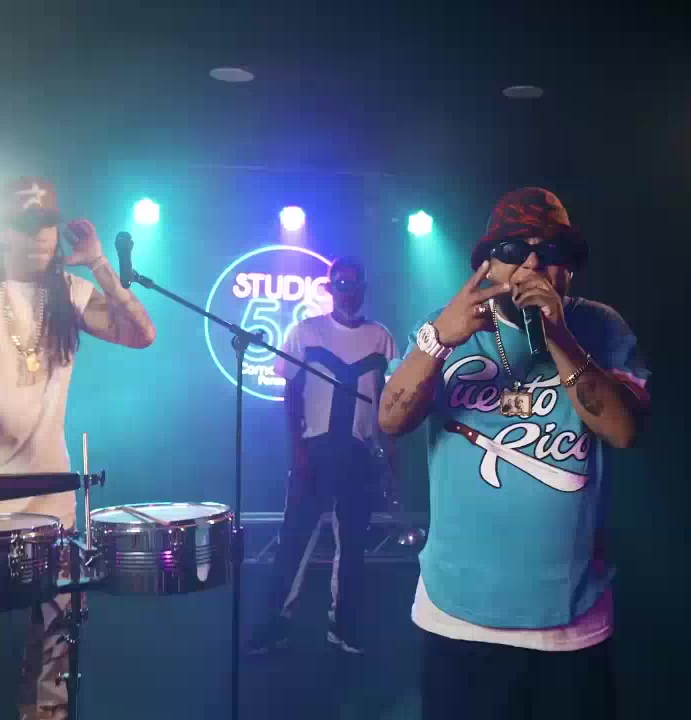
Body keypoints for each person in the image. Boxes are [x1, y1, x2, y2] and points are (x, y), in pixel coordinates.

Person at [379, 188, 651, 720]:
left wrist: (559, 336)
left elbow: (623, 431)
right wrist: (437, 339)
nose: (530, 264)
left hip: (569, 621)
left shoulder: (601, 326)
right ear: (485, 263)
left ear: (568, 270)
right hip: (456, 614)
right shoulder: (443, 324)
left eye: (550, 252)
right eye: (512, 250)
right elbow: (390, 419)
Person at [0, 177, 156, 720]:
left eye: (47, 225)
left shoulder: (68, 291)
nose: (41, 236)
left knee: (59, 645)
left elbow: (141, 334)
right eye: (27, 227)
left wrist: (100, 266)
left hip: (48, 492)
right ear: (0, 232)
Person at [246, 256, 398, 656]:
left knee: (353, 546)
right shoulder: (306, 331)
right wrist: (297, 449)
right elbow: (291, 395)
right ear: (330, 289)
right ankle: (276, 624)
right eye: (340, 284)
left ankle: (343, 625)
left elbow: (389, 400)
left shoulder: (381, 337)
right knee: (293, 540)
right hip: (314, 450)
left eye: (354, 284)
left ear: (364, 288)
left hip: (359, 454)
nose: (347, 291)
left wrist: (389, 454)